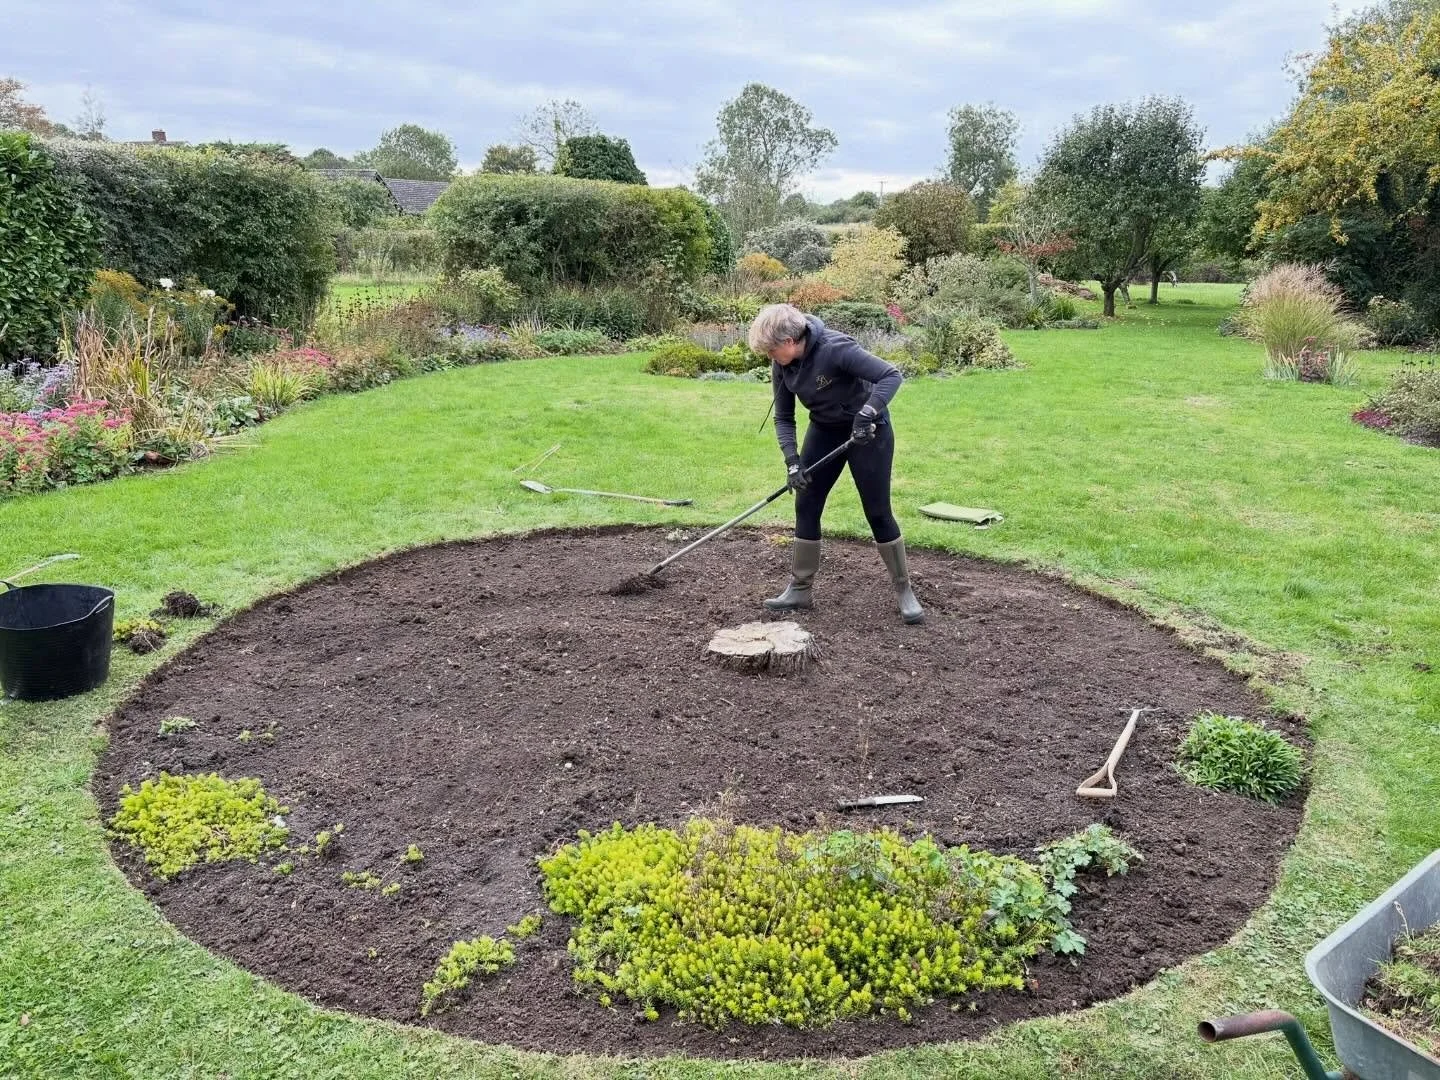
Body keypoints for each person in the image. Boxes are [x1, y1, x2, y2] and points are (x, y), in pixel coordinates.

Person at [747, 303, 923, 625]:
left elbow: (890, 375)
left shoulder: (836, 348)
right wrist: (792, 462)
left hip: (869, 432)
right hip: (826, 428)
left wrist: (867, 412)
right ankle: (800, 589)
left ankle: (903, 590)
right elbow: (784, 417)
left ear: (788, 341)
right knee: (807, 503)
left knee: (877, 511)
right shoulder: (783, 366)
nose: (771, 358)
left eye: (772, 351)